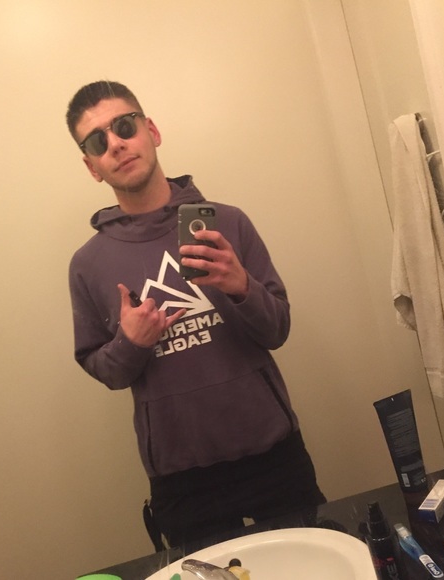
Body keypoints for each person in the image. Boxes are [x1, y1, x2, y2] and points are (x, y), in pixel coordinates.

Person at [66, 80, 326, 549]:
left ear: (151, 131)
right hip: (182, 482)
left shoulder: (228, 222)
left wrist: (241, 287)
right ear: (92, 167)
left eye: (124, 126)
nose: (116, 144)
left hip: (274, 457)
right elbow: (105, 371)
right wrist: (131, 343)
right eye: (97, 141)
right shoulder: (88, 264)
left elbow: (278, 330)